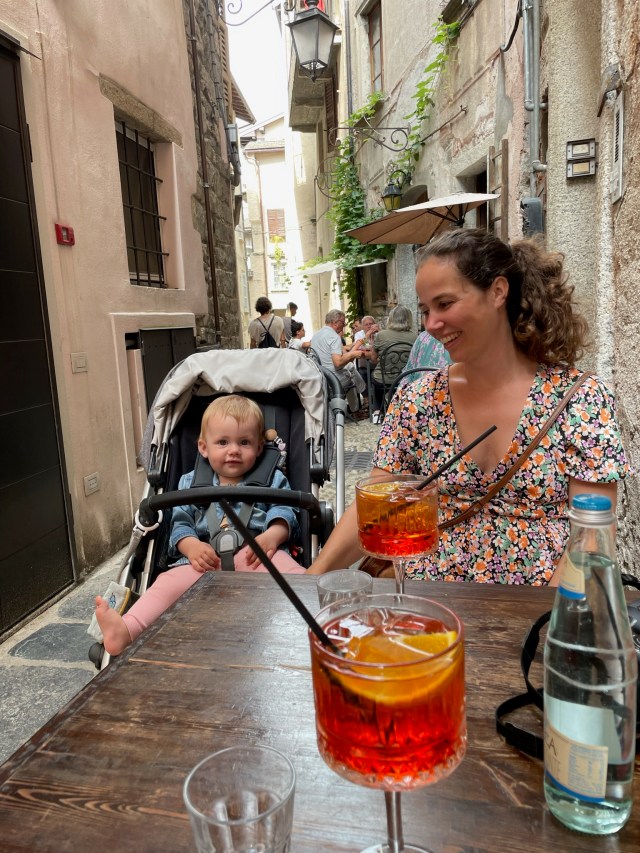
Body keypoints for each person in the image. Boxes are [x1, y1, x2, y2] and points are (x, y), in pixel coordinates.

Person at [307, 229, 629, 585]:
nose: (431, 325)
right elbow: (377, 510)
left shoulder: (581, 400)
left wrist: (547, 625)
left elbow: (592, 540)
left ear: (497, 292)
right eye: (425, 310)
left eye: (445, 304)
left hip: (541, 616)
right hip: (429, 611)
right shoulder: (418, 400)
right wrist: (312, 577)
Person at [96, 396, 303, 655]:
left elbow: (285, 510)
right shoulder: (190, 483)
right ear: (203, 447)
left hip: (257, 556)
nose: (234, 450)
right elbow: (181, 520)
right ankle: (127, 628)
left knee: (297, 578)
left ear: (260, 447)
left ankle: (320, 617)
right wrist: (191, 546)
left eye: (245, 442)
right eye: (223, 442)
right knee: (166, 584)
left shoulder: (274, 478)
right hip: (204, 561)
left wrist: (273, 535)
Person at [367, 304, 418, 422]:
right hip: (405, 379)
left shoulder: (381, 335)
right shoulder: (415, 337)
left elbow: (373, 359)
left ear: (390, 318)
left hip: (384, 379)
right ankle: (400, 409)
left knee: (374, 376)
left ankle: (377, 412)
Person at [310, 309, 366, 413]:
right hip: (334, 379)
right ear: (336, 322)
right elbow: (338, 362)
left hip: (321, 376)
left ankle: (358, 403)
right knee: (350, 375)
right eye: (343, 323)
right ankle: (356, 409)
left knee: (350, 368)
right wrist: (353, 354)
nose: (344, 326)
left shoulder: (316, 336)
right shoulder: (334, 337)